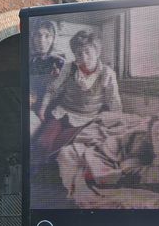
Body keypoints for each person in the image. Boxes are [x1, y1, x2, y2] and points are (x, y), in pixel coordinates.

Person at [35, 29, 122, 163]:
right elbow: (52, 89)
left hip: (87, 118)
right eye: (79, 53)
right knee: (43, 143)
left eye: (88, 52)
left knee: (61, 148)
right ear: (74, 54)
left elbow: (113, 102)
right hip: (62, 113)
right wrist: (42, 109)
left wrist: (115, 124)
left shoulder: (107, 73)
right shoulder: (69, 68)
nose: (84, 58)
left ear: (97, 52)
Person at [29, 19, 65, 135]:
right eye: (38, 35)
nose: (42, 40)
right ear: (33, 38)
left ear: (53, 38)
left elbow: (61, 91)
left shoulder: (60, 62)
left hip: (53, 110)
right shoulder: (31, 61)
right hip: (32, 105)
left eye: (47, 36)